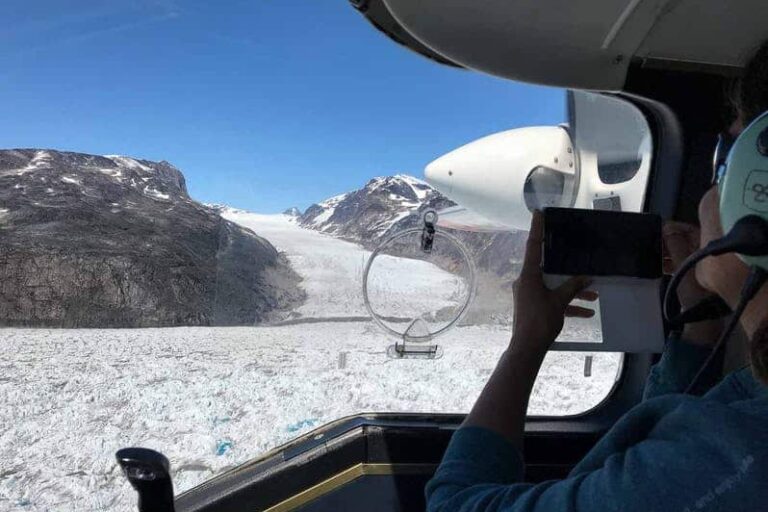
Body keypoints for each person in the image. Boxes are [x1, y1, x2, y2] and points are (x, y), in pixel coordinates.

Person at [425, 43, 768, 512]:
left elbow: (453, 505)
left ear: (756, 197)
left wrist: (526, 343)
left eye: (723, 162)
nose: (707, 197)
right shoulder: (746, 410)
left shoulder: (733, 457)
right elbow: (670, 441)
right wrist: (698, 321)